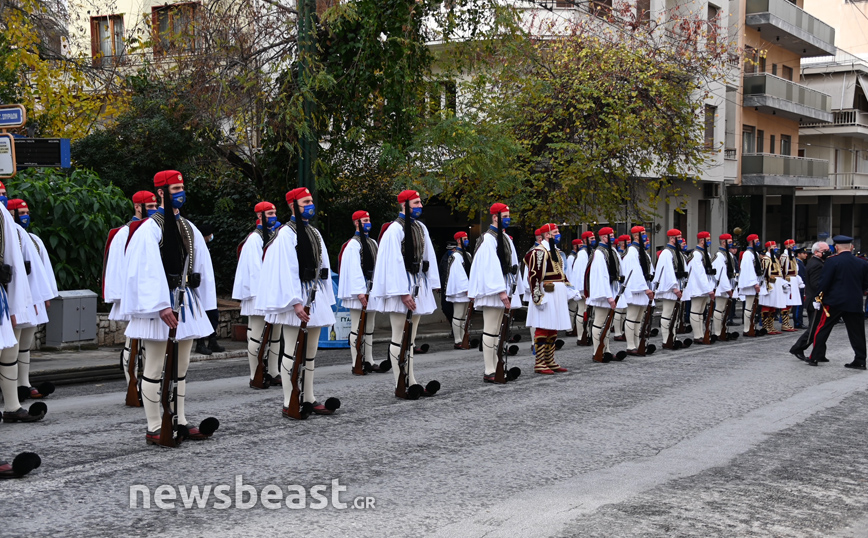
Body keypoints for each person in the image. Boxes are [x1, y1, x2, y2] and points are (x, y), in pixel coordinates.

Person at [122, 170, 219, 443]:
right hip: (160, 308)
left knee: (181, 368)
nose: (181, 193)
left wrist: (206, 306)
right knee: (154, 368)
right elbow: (146, 270)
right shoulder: (149, 229)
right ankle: (155, 426)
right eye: (175, 189)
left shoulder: (188, 227)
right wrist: (161, 305)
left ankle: (180, 420)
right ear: (161, 192)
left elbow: (202, 267)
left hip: (186, 304)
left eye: (182, 187)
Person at [256, 187, 341, 415]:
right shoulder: (285, 234)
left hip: (313, 295)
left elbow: (324, 266)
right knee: (291, 352)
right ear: (293, 205)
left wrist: (325, 298)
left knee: (310, 353)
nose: (310, 205)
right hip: (296, 298)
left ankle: (309, 398)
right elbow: (286, 270)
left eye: (311, 201)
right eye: (306, 202)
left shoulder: (314, 232)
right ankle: (289, 401)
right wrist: (295, 302)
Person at [370, 190, 441, 396]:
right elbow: (392, 263)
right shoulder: (394, 230)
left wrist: (433, 282)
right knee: (399, 336)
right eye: (416, 203)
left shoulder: (420, 227)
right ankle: (399, 383)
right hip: (402, 286)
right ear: (404, 205)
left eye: (420, 203)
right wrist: (402, 292)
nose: (420, 206)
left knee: (410, 338)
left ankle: (411, 380)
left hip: (418, 283)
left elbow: (429, 256)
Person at [104, 191, 157, 398]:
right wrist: (123, 298)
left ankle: (148, 385)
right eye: (150, 206)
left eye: (155, 206)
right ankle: (132, 387)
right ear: (137, 207)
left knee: (147, 344)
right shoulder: (125, 233)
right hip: (132, 295)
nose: (154, 210)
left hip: (148, 295)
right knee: (133, 342)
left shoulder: (153, 229)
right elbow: (118, 268)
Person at [468, 203, 525, 382]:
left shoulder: (504, 237)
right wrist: (501, 291)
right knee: (491, 329)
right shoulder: (488, 238)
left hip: (503, 288)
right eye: (505, 216)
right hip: (493, 291)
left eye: (508, 216)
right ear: (495, 217)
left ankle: (496, 366)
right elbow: (489, 267)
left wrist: (514, 288)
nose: (508, 219)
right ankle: (489, 370)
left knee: (497, 331)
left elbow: (513, 264)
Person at [8, 199, 57, 400]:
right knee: (11, 347)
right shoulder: (10, 236)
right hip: (15, 297)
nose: (25, 216)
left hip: (31, 299)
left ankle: (24, 384)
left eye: (27, 212)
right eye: (21, 213)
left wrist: (45, 294)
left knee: (25, 345)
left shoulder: (33, 239)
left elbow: (43, 269)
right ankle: (10, 389)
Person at [0, 184, 41, 423]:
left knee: (9, 352)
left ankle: (12, 406)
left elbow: (12, 262)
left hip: (2, 293)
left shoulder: (2, 215)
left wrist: (16, 305)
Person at [233, 201, 282, 387]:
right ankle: (256, 374)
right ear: (260, 216)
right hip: (258, 295)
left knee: (275, 334)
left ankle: (273, 371)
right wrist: (265, 295)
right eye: (270, 214)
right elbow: (255, 271)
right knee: (256, 334)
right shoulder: (254, 239)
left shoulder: (275, 237)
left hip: (274, 294)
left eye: (274, 213)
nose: (273, 217)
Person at [806, 236, 868, 369]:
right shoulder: (862, 262)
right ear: (851, 247)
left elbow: (824, 282)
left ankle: (815, 357)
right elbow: (865, 284)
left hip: (834, 301)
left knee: (823, 329)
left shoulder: (832, 261)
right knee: (857, 332)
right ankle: (860, 360)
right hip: (854, 302)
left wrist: (818, 297)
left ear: (836, 247)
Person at [338, 210, 384, 373]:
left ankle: (369, 360)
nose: (368, 223)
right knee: (356, 326)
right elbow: (354, 270)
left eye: (368, 220)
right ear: (357, 223)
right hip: (359, 291)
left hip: (371, 288)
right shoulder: (353, 244)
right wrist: (359, 292)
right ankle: (356, 362)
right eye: (365, 220)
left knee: (370, 326)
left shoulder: (373, 242)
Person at [525, 223, 574, 372]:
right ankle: (540, 362)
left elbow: (561, 273)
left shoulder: (555, 251)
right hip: (546, 293)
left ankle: (549, 360)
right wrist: (537, 297)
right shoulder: (539, 252)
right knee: (543, 327)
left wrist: (570, 289)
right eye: (555, 232)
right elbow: (534, 276)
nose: (558, 234)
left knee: (553, 328)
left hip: (556, 293)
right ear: (547, 235)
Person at [790, 242, 831, 361]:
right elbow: (816, 284)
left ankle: (819, 353)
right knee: (814, 329)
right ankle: (798, 348)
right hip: (816, 301)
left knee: (820, 328)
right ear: (816, 252)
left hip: (817, 300)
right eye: (825, 250)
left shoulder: (818, 262)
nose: (828, 252)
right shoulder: (816, 265)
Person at [652, 229, 689, 349]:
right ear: (672, 238)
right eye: (679, 237)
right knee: (667, 313)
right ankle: (666, 339)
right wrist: (674, 287)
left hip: (679, 286)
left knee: (675, 314)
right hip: (671, 288)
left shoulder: (677, 252)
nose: (681, 239)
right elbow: (667, 271)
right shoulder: (667, 253)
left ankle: (673, 337)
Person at [621, 226, 654, 356]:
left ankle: (637, 343)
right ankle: (630, 345)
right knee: (631, 317)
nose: (646, 236)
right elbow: (634, 271)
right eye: (643, 234)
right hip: (635, 289)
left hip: (642, 288)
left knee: (638, 319)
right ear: (636, 236)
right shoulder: (632, 251)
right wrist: (645, 288)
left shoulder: (641, 251)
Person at [195, 223, 224, 356]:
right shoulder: (199, 245)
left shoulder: (205, 246)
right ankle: (200, 343)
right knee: (202, 315)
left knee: (212, 315)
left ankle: (212, 340)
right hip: (201, 286)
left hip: (208, 286)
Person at [684, 232, 716, 344]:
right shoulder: (696, 254)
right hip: (697, 286)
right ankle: (697, 335)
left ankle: (701, 334)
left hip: (704, 286)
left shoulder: (704, 253)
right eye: (708, 240)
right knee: (696, 310)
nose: (709, 241)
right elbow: (699, 273)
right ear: (702, 240)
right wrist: (708, 289)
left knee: (701, 311)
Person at [446, 231, 472, 349]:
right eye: (464, 239)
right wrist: (466, 288)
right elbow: (459, 274)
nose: (467, 241)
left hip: (467, 288)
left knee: (464, 315)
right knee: (458, 314)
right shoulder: (456, 256)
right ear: (458, 240)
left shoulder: (467, 255)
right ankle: (458, 340)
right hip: (460, 290)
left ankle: (463, 337)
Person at [738, 234, 767, 336]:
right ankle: (747, 329)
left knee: (753, 306)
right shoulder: (747, 254)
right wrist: (755, 283)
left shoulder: (754, 253)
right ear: (752, 242)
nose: (758, 242)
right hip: (750, 284)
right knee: (749, 306)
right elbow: (749, 270)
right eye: (757, 241)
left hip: (755, 283)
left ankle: (751, 326)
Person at [711, 234, 738, 340]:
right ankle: (718, 332)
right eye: (729, 242)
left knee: (723, 309)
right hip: (721, 286)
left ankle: (723, 329)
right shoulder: (719, 255)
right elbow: (721, 274)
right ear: (723, 242)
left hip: (728, 285)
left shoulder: (728, 254)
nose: (731, 244)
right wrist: (727, 289)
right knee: (719, 308)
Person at [759, 241, 787, 335]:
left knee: (773, 305)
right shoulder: (766, 258)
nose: (776, 248)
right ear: (769, 248)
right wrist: (767, 285)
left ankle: (771, 326)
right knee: (767, 305)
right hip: (770, 284)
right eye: (774, 247)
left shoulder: (774, 258)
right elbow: (765, 274)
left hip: (776, 284)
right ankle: (765, 326)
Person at [794, 247, 809, 328]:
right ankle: (797, 322)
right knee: (798, 305)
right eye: (804, 253)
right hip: (799, 285)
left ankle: (800, 321)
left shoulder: (801, 262)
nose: (806, 255)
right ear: (799, 254)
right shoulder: (797, 263)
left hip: (802, 285)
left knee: (801, 304)